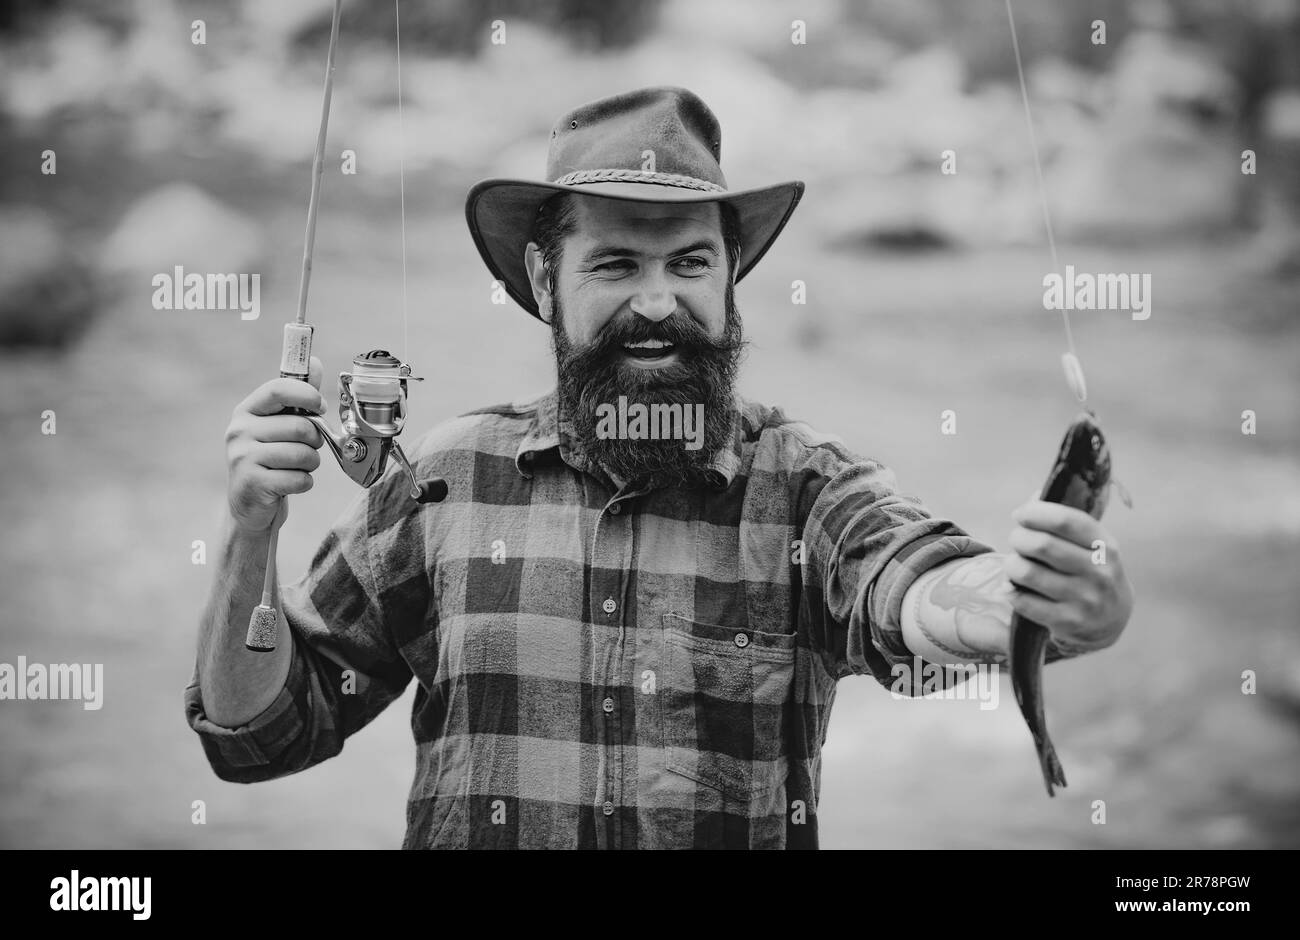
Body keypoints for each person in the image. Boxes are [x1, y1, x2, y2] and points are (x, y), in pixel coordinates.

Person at [186, 86, 1134, 849]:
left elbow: (917, 587)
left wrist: (1036, 602)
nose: (656, 302)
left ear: (729, 279)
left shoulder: (805, 491)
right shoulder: (444, 481)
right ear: (546, 280)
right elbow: (261, 734)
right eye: (614, 266)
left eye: (688, 263)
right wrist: (250, 530)